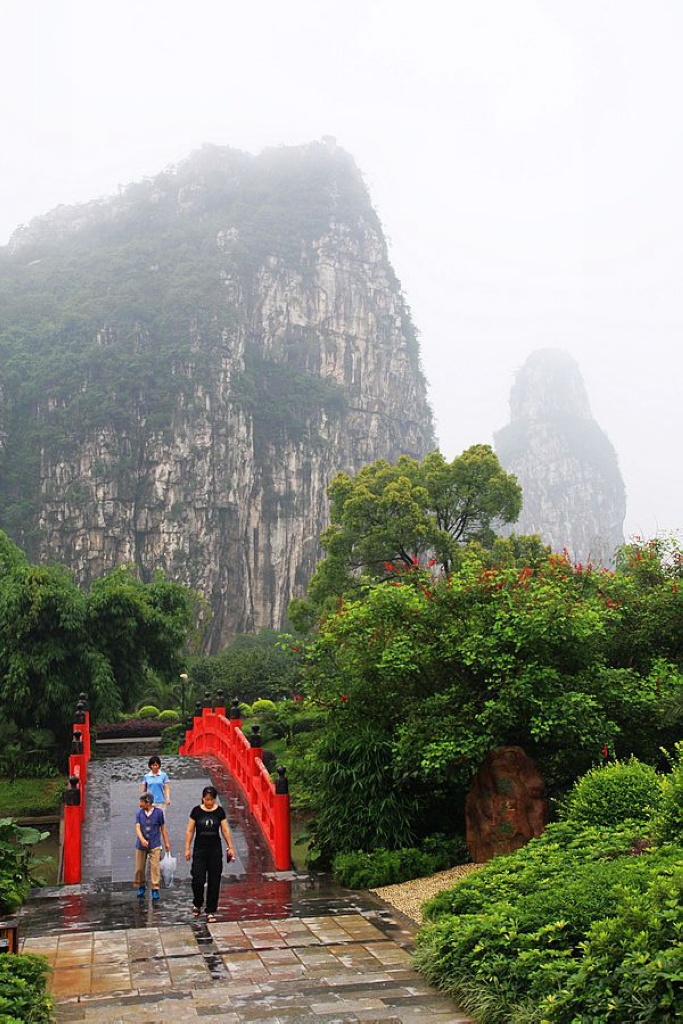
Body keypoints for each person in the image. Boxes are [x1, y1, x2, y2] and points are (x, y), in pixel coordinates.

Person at [185, 786, 235, 922]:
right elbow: (190, 830)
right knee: (198, 879)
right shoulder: (196, 811)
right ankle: (197, 902)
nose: (209, 802)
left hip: (215, 851)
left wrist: (230, 846)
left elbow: (225, 830)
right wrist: (187, 848)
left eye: (211, 800)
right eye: (207, 800)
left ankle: (211, 910)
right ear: (203, 798)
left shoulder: (219, 812)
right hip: (199, 850)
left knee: (214, 881)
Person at [135, 792, 171, 902]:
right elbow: (137, 827)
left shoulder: (158, 813)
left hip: (155, 843)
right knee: (139, 868)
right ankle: (141, 885)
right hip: (141, 845)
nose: (140, 804)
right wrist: (142, 839)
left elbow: (163, 828)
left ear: (148, 803)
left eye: (142, 802)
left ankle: (155, 888)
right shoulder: (139, 813)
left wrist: (166, 842)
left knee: (155, 867)